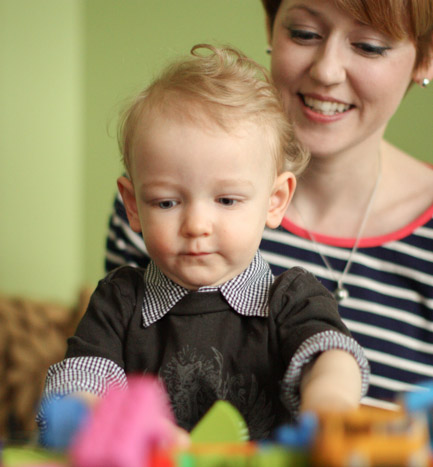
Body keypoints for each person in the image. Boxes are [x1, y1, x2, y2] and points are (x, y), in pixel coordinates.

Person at [105, 0, 433, 411]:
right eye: (305, 33)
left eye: (368, 46)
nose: (326, 71)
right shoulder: (157, 207)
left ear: (426, 57)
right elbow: (111, 376)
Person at [37, 44, 368, 440]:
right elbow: (76, 386)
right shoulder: (120, 302)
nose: (196, 225)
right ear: (134, 205)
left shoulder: (289, 299)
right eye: (167, 202)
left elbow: (330, 355)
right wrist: (120, 423)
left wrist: (329, 402)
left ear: (275, 201)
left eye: (227, 200)